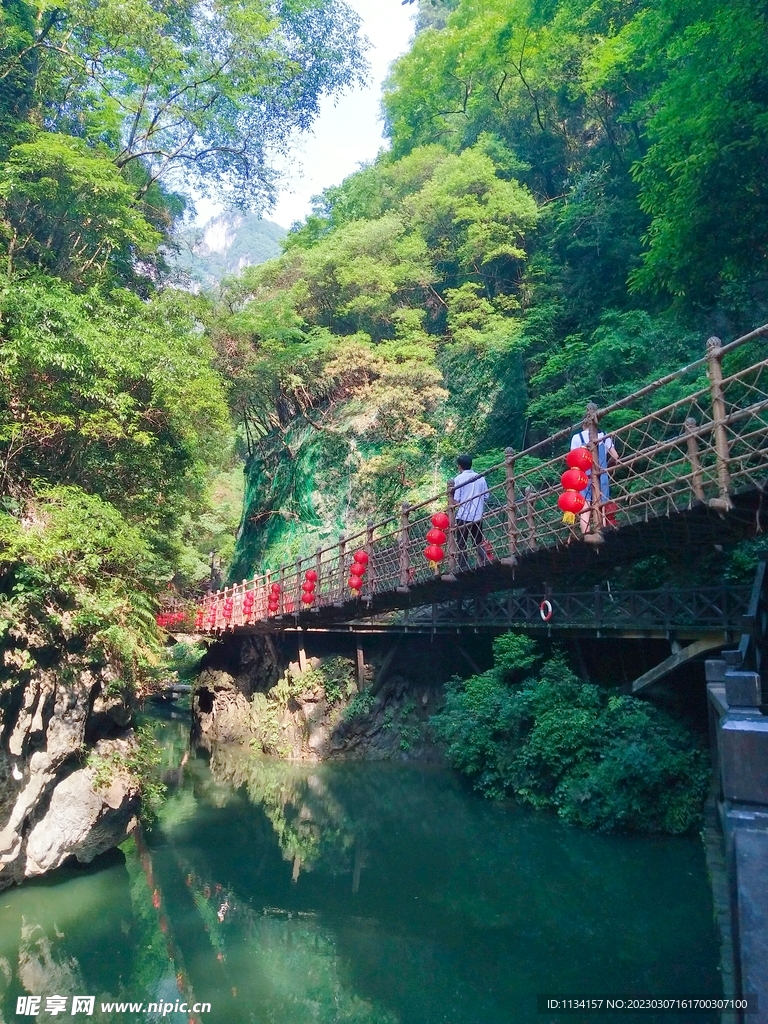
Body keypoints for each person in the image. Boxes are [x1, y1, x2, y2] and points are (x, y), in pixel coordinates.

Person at [570, 422, 619, 533]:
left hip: (583, 477)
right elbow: (615, 456)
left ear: (583, 424)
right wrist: (607, 463)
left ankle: (585, 533)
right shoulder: (604, 435)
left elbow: (573, 460)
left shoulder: (577, 437)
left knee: (585, 507)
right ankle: (603, 530)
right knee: (602, 505)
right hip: (602, 474)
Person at [452, 454, 490, 571]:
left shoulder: (458, 479)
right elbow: (486, 496)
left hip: (463, 515)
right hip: (477, 515)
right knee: (478, 541)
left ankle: (463, 567)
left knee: (461, 543)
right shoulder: (481, 477)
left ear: (459, 466)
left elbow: (456, 500)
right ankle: (484, 562)